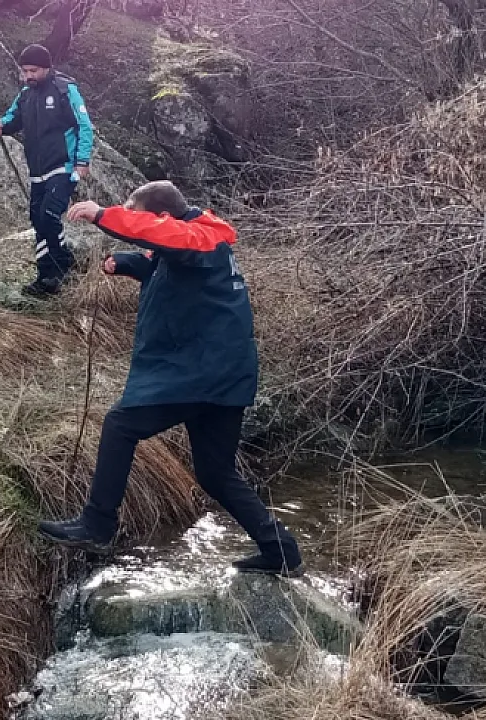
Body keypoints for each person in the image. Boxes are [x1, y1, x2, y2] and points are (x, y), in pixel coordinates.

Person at [37, 180, 305, 577]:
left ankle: (97, 525)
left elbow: (167, 239)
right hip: (222, 376)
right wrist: (127, 264)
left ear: (163, 216)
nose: (136, 223)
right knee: (216, 474)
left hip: (201, 374)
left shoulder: (201, 237)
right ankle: (281, 551)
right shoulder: (198, 242)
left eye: (138, 215)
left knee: (121, 424)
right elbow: (169, 265)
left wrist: (102, 215)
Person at [0, 44, 95, 298]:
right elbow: (13, 118)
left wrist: (82, 162)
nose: (29, 75)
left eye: (33, 70)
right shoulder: (26, 95)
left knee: (49, 215)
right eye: (25, 70)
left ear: (46, 68)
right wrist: (1, 125)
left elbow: (84, 126)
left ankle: (62, 269)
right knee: (37, 219)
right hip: (37, 171)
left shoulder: (64, 90)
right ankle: (44, 277)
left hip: (63, 168)